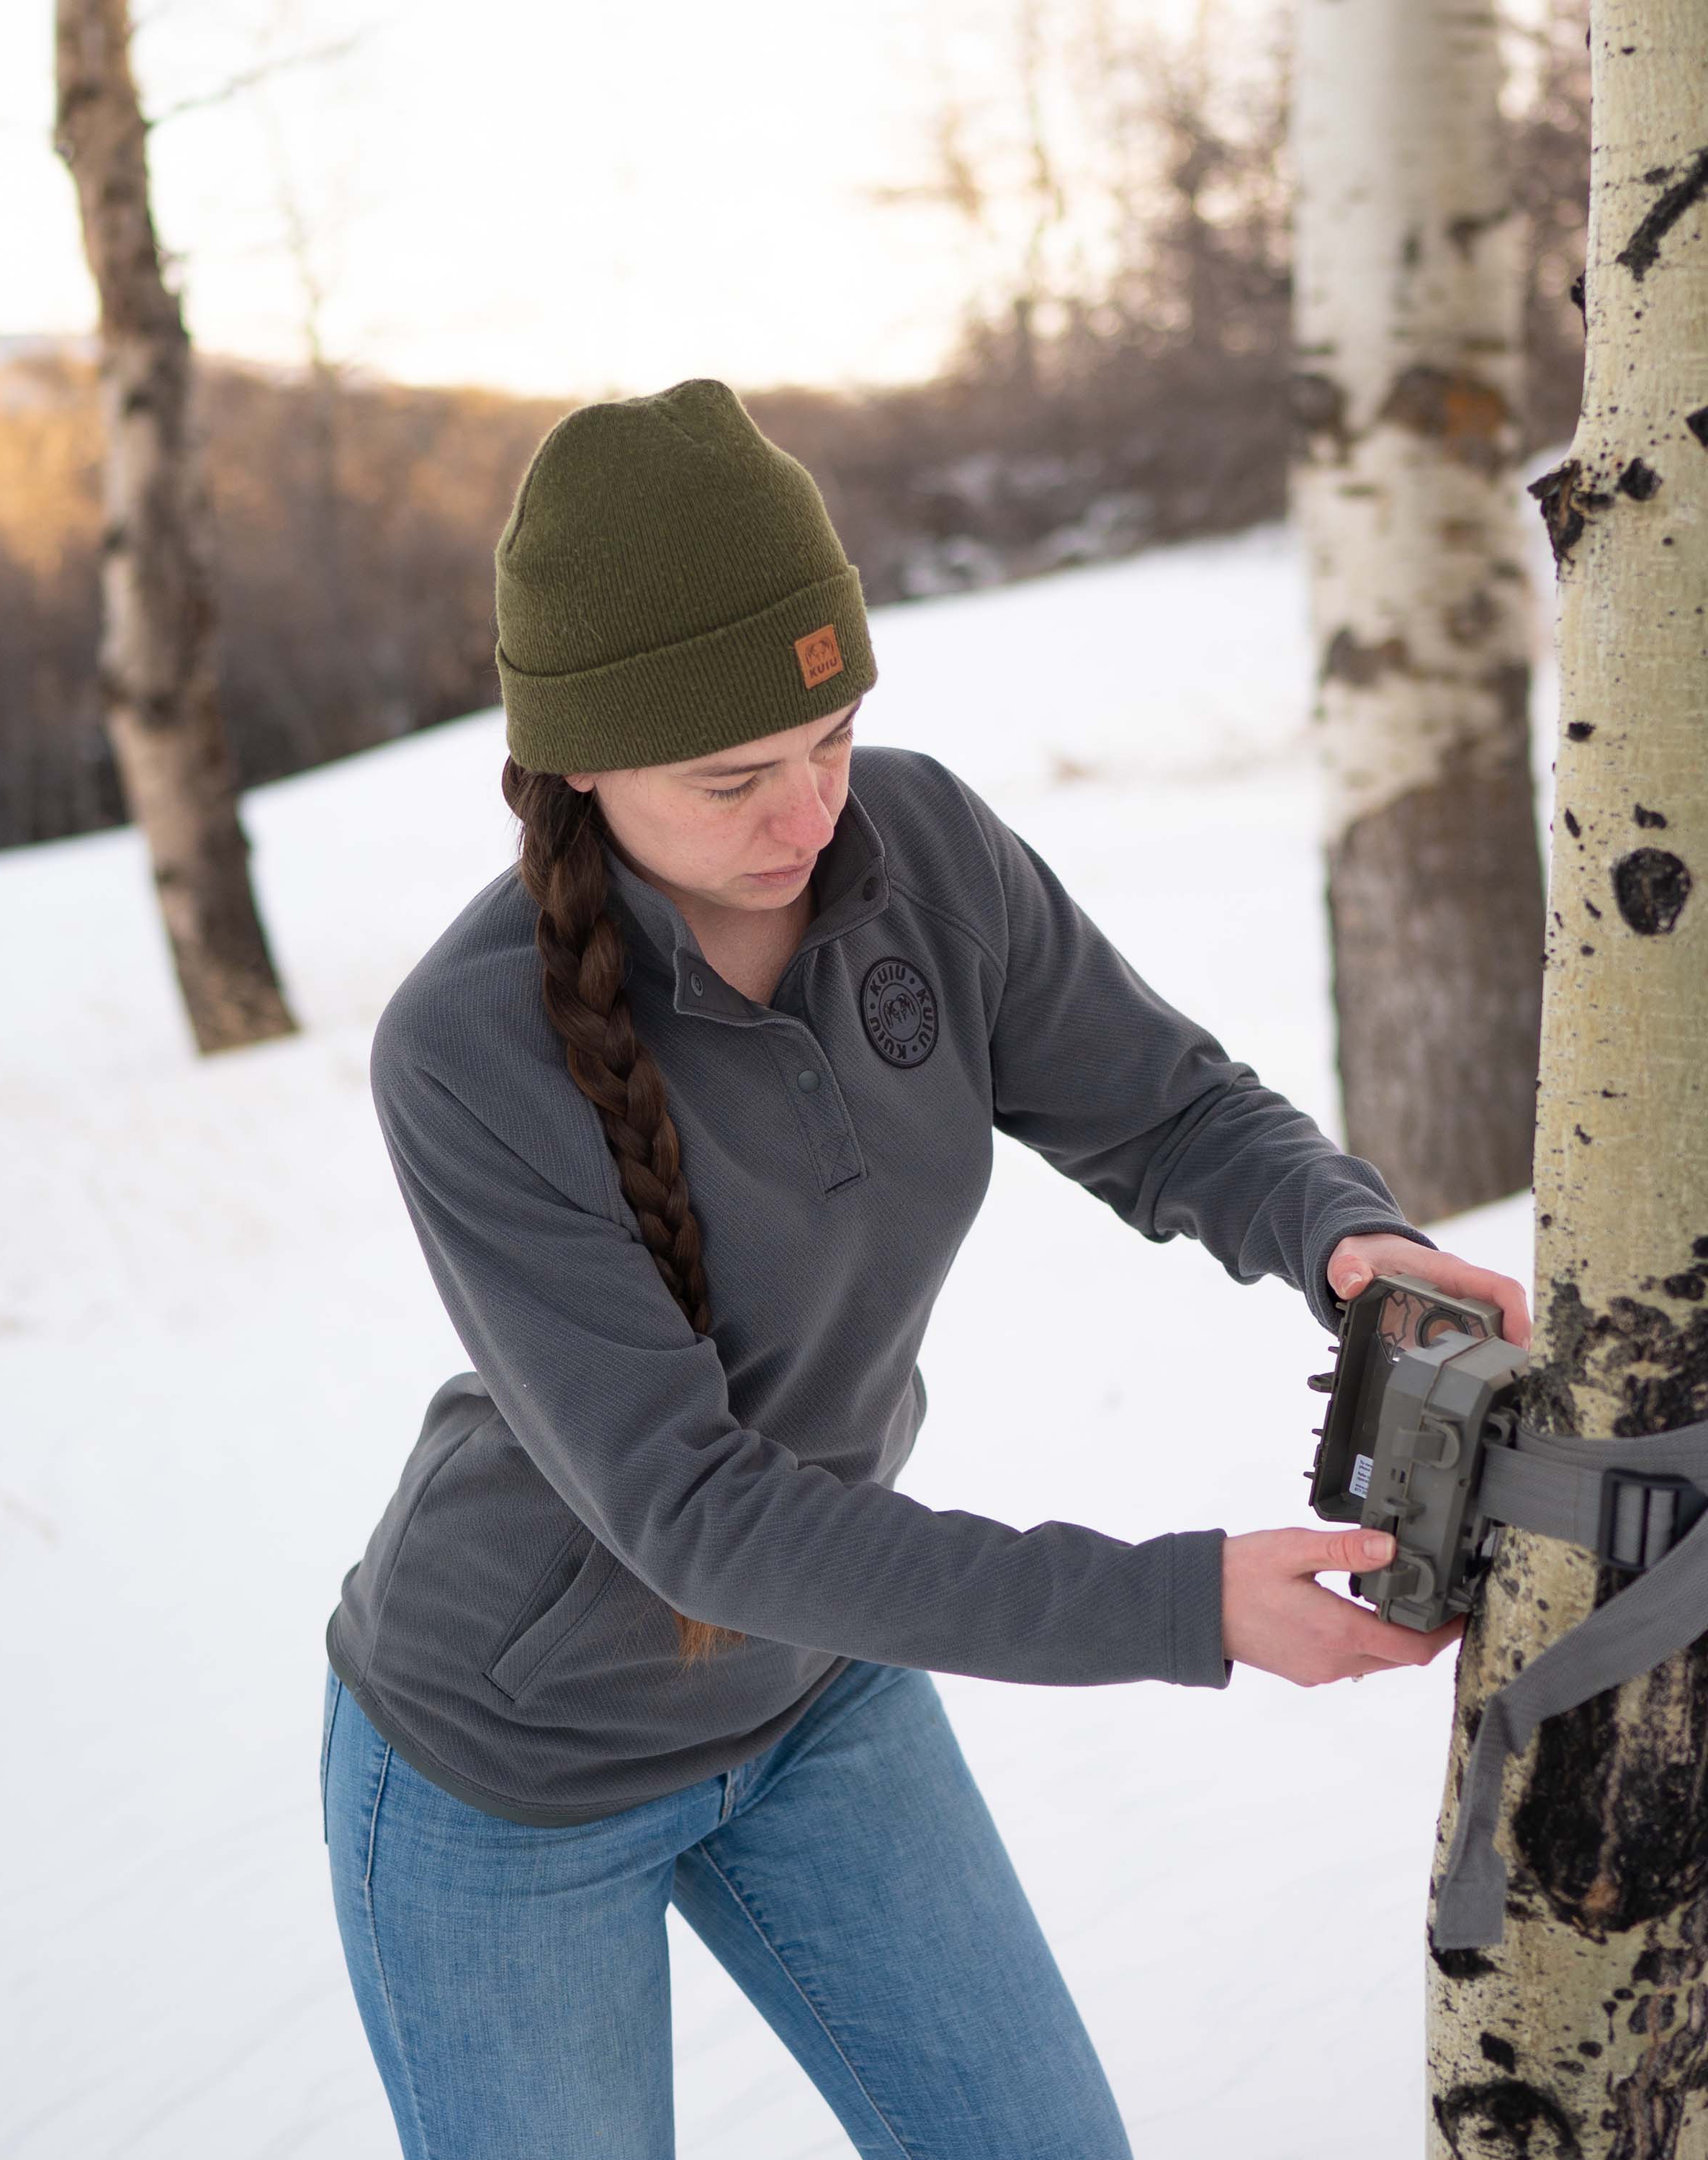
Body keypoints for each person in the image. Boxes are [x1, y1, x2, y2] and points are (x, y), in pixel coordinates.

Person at [320, 377, 1530, 2160]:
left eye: (829, 737)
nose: (808, 813)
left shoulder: (928, 852)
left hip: (816, 1688)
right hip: (514, 1773)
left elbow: (1171, 1109)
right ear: (574, 759)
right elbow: (699, 1517)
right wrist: (1174, 1604)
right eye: (731, 777)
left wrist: (1334, 1229)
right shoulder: (467, 1047)